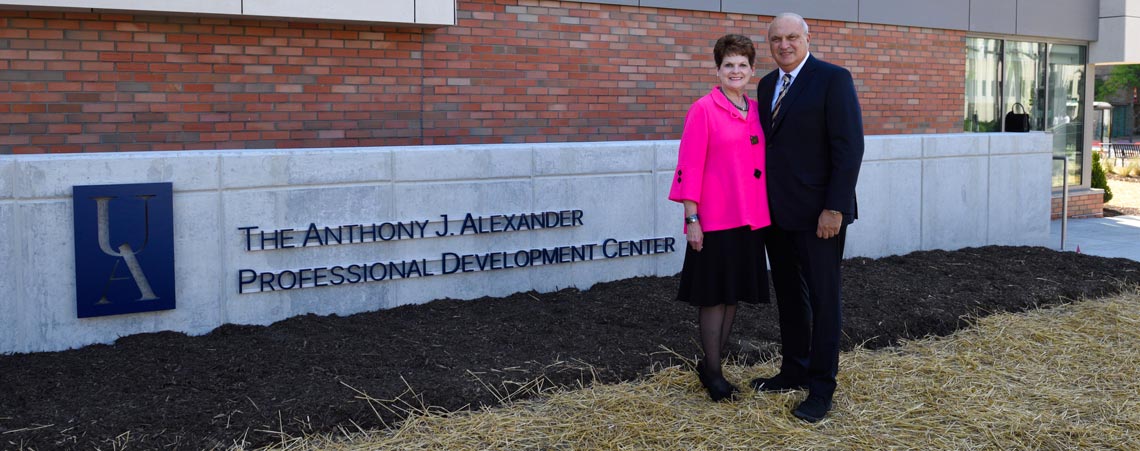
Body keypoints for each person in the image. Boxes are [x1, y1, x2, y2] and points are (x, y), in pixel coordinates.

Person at [749, 13, 864, 422]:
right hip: (777, 215)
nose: (784, 45)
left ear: (807, 38)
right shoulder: (765, 86)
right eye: (776, 39)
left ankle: (820, 389)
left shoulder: (833, 79)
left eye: (792, 37)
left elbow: (849, 149)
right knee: (790, 298)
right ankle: (793, 370)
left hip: (821, 215)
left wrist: (834, 208)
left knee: (823, 299)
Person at [668, 34, 771, 402]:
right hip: (713, 219)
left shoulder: (757, 110)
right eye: (729, 64)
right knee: (713, 297)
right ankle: (712, 371)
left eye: (742, 64)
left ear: (752, 70)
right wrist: (691, 219)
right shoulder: (703, 109)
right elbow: (689, 166)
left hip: (750, 218)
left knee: (732, 296)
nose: (736, 70)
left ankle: (714, 365)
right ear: (718, 69)